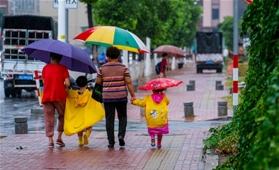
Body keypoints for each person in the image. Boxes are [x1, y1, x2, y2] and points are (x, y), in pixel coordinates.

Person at [95, 47, 136, 148]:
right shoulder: (123, 67)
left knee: (109, 119)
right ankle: (121, 135)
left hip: (108, 97)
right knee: (122, 117)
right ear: (118, 56)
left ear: (107, 56)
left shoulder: (102, 68)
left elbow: (98, 82)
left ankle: (111, 141)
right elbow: (129, 82)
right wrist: (133, 96)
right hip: (121, 96)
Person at [64, 76, 105, 146]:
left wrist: (67, 88)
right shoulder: (89, 94)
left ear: (77, 84)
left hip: (78, 115)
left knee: (80, 126)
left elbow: (67, 94)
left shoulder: (73, 93)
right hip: (86, 114)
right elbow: (95, 102)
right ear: (86, 84)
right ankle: (87, 133)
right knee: (89, 124)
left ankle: (80, 140)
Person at [42, 52, 70, 147]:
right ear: (60, 59)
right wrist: (62, 85)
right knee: (62, 116)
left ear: (51, 58)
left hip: (47, 96)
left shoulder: (45, 68)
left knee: (49, 118)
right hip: (60, 96)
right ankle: (59, 137)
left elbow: (44, 82)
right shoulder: (63, 68)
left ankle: (50, 140)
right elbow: (68, 83)